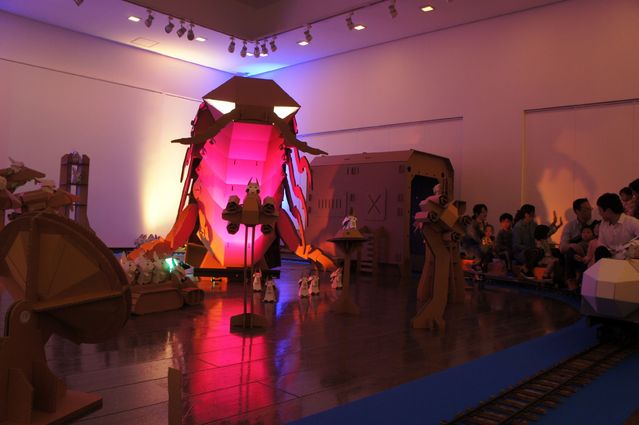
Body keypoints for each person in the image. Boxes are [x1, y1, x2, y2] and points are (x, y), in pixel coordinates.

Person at [559, 198, 593, 288]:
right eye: (587, 209)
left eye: (590, 208)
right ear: (577, 211)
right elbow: (562, 247)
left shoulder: (595, 224)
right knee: (569, 251)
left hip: (590, 254)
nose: (590, 211)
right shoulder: (570, 226)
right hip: (575, 256)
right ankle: (571, 281)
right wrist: (574, 246)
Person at [595, 193, 639, 260]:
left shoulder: (631, 222)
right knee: (600, 251)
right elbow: (601, 244)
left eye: (600, 210)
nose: (599, 213)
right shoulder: (603, 224)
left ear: (608, 211)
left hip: (628, 259)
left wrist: (630, 247)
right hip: (610, 259)